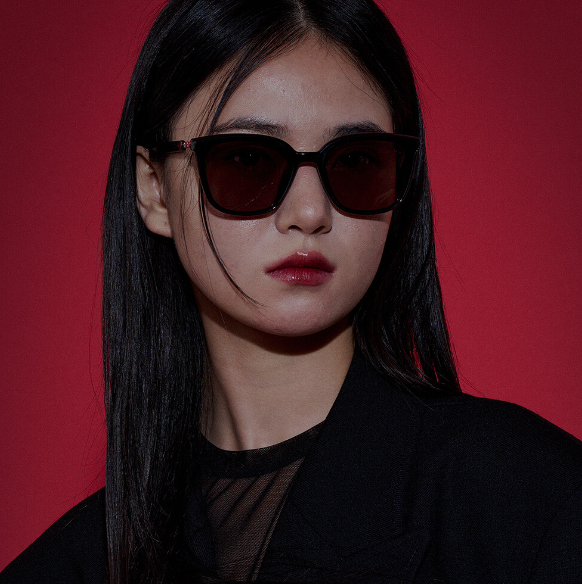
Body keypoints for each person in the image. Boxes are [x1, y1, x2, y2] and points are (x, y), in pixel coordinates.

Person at [1, 0, 581, 583]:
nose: (310, 212)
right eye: (247, 159)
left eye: (355, 162)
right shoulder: (69, 567)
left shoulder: (529, 500)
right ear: (154, 189)